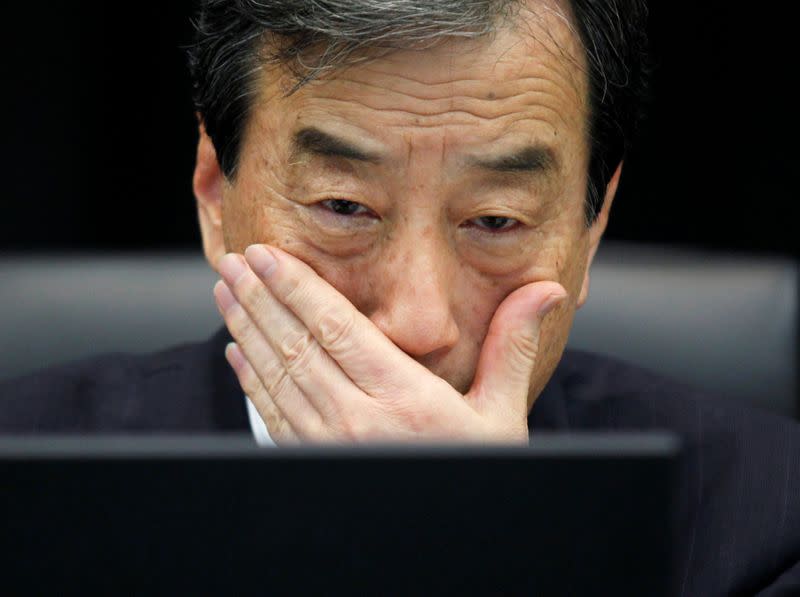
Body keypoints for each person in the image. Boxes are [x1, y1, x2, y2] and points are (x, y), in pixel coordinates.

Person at [1, 0, 798, 593]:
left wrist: (491, 551)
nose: (418, 325)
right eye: (343, 207)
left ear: (590, 231)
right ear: (214, 193)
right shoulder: (20, 488)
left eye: (495, 219)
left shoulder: (766, 522)